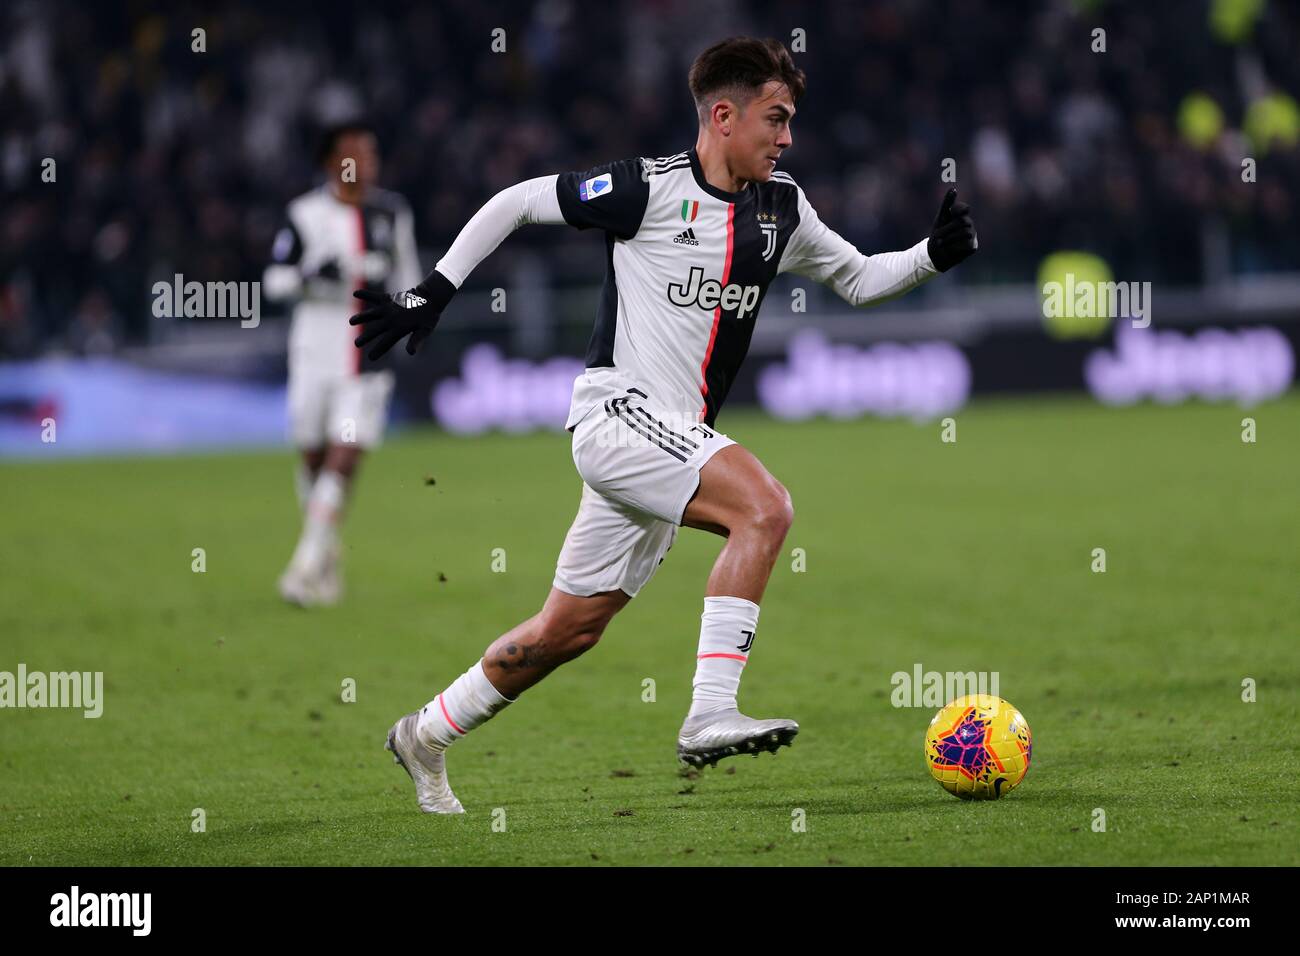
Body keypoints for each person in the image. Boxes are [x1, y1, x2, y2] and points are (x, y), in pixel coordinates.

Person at [350, 37, 978, 813]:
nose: (787, 138)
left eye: (790, 122)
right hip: (618, 416)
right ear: (723, 114)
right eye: (775, 119)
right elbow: (517, 200)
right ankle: (709, 709)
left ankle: (425, 734)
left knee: (566, 632)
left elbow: (856, 277)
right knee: (765, 507)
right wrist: (434, 290)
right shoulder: (646, 191)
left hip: (675, 441)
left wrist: (930, 256)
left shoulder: (781, 208)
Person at [263, 122, 421, 606]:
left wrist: (408, 314)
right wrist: (311, 274)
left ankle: (304, 565)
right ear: (332, 161)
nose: (366, 163)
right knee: (312, 456)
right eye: (355, 153)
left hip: (367, 354)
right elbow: (273, 281)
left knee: (344, 454)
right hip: (314, 350)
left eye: (371, 152)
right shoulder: (304, 215)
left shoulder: (391, 213)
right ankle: (326, 557)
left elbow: (411, 279)